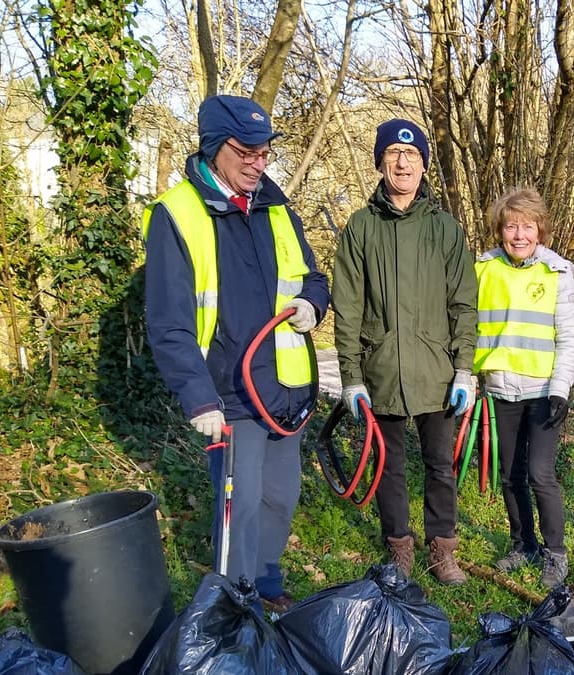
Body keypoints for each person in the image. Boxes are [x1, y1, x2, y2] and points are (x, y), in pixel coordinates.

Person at [144, 95, 329, 614]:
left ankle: (267, 590)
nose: (257, 162)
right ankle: (235, 607)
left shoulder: (276, 206)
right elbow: (169, 321)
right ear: (212, 147)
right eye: (245, 150)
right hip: (229, 393)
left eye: (264, 151)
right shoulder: (177, 215)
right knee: (239, 507)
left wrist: (313, 304)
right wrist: (198, 397)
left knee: (279, 499)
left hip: (284, 392)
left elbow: (314, 278)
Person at [333, 118, 477, 585]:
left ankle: (442, 550)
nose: (402, 162)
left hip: (437, 373)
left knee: (440, 465)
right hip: (381, 373)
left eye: (411, 155)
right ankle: (399, 548)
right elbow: (348, 307)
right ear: (380, 162)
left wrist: (464, 370)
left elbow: (463, 303)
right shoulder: (360, 228)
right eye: (393, 153)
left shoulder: (445, 228)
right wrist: (351, 377)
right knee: (388, 465)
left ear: (423, 165)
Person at [474, 187, 574, 589]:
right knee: (510, 474)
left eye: (527, 226)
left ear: (541, 230)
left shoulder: (557, 274)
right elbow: (470, 329)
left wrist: (560, 390)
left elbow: (570, 338)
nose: (519, 235)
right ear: (500, 230)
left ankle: (556, 554)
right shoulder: (483, 270)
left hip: (543, 393)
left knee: (540, 474)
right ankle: (524, 545)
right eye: (511, 226)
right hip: (501, 390)